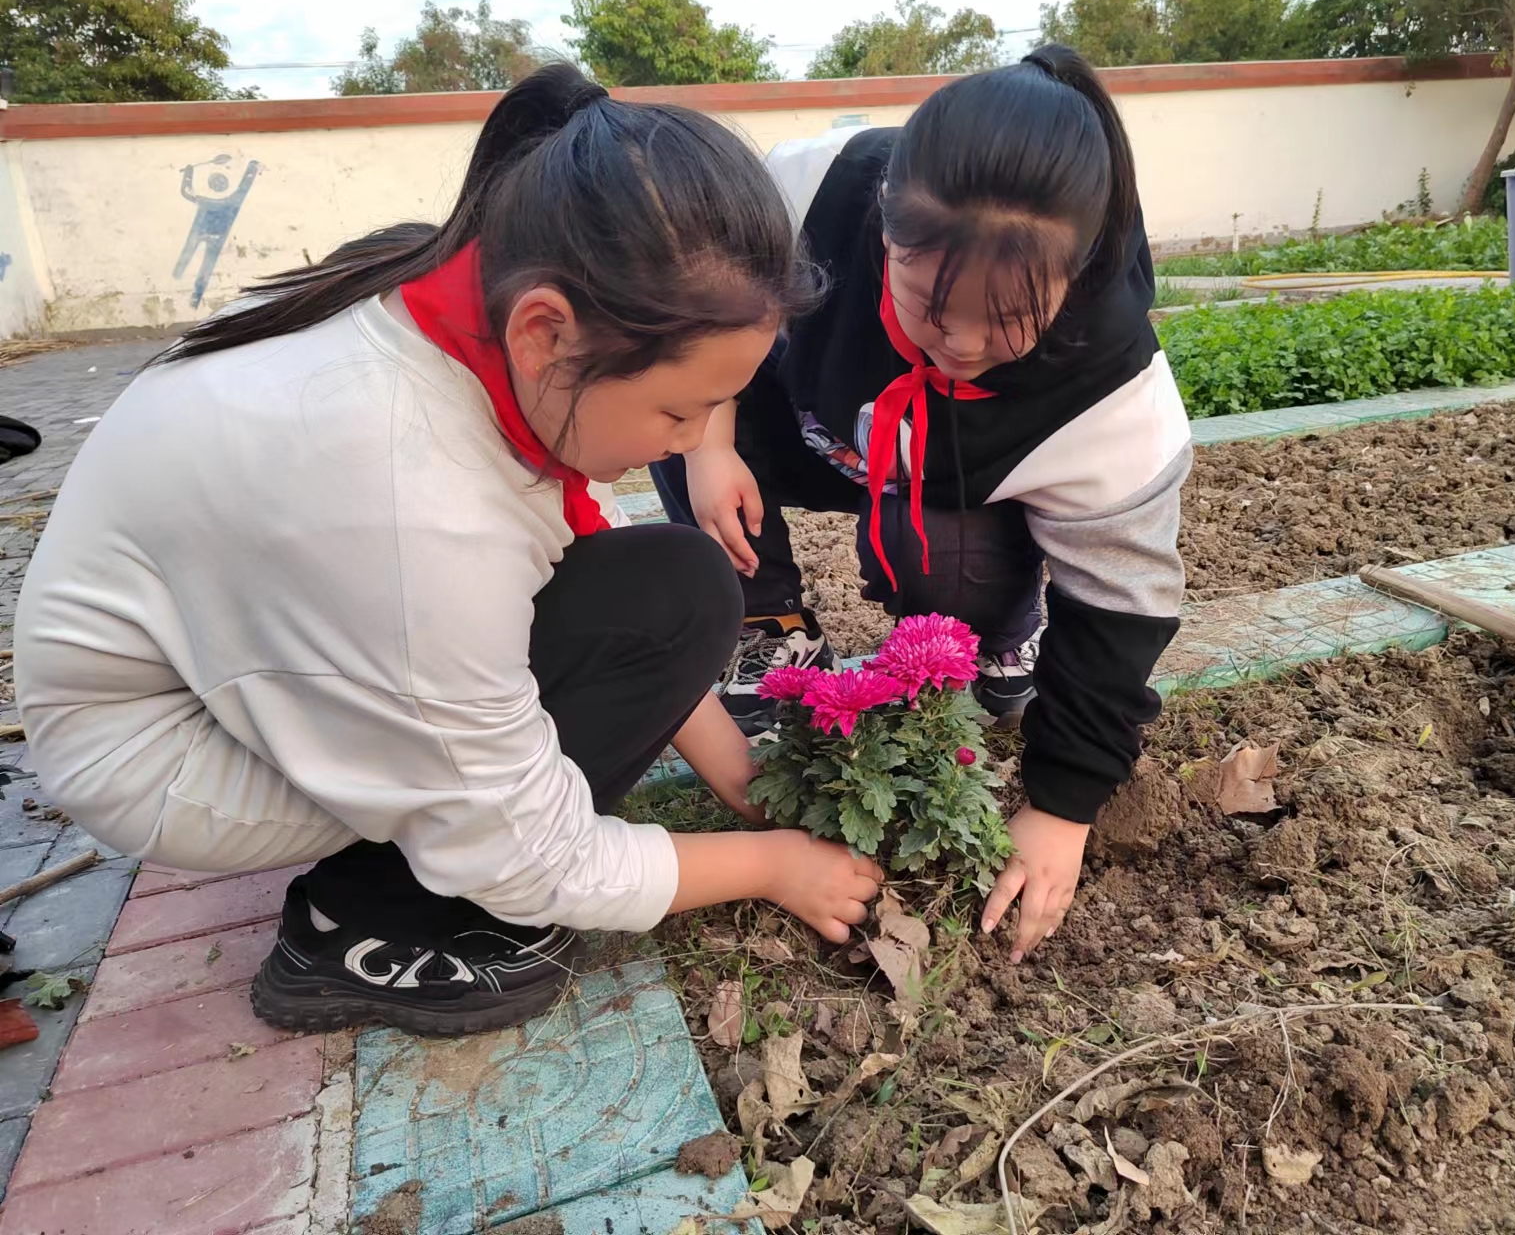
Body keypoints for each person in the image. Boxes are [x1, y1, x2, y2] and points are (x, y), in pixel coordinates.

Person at [13, 64, 884, 1037]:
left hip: (236, 653)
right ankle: (363, 921)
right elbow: (527, 848)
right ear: (547, 333)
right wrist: (772, 867)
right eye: (679, 410)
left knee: (679, 586)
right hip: (160, 745)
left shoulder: (468, 300)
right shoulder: (397, 494)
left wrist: (739, 778)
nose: (688, 444)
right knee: (502, 839)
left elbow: (570, 554)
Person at [651, 45, 1192, 964]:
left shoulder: (1115, 392)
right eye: (933, 306)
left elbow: (1123, 612)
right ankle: (770, 624)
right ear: (885, 233)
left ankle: (998, 632)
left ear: (1078, 275)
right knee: (664, 428)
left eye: (1013, 317)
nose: (966, 343)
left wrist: (1061, 809)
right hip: (819, 432)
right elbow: (686, 301)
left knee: (951, 584)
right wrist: (706, 436)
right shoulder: (810, 192)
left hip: (967, 480)